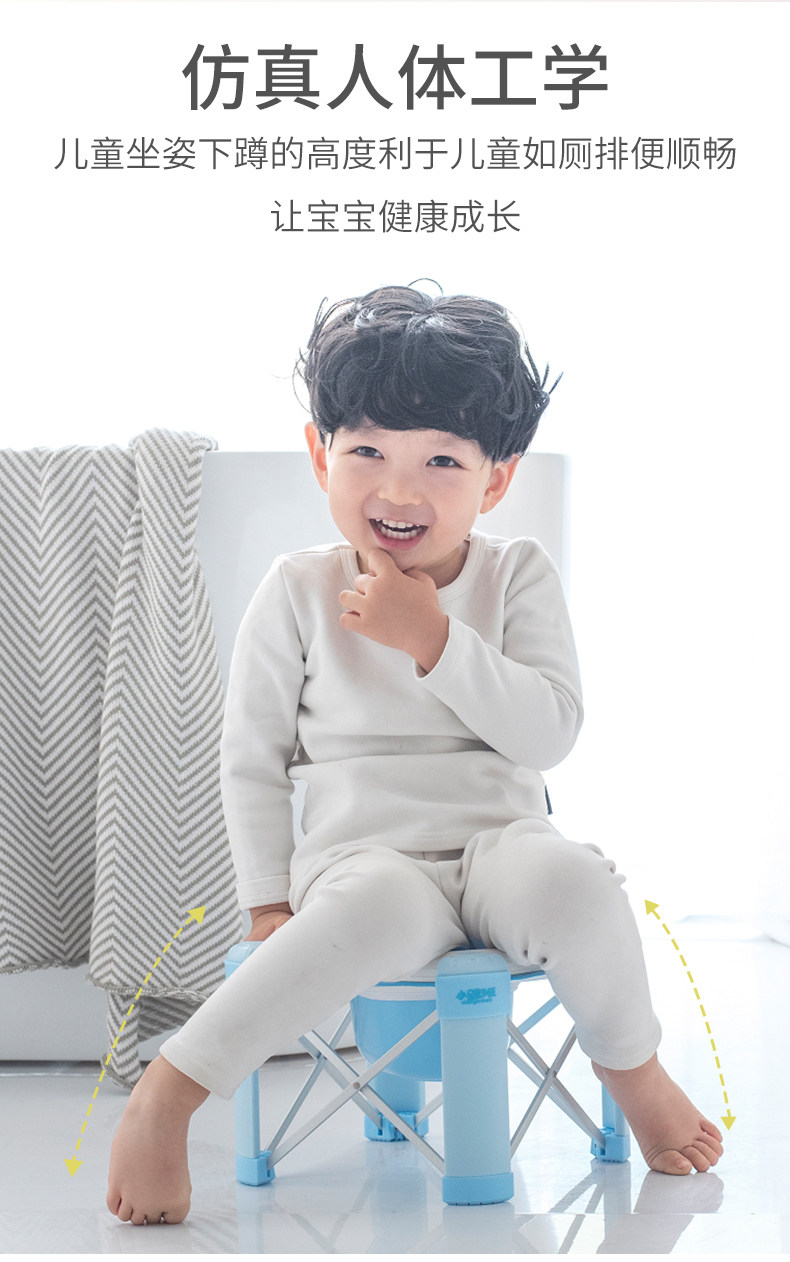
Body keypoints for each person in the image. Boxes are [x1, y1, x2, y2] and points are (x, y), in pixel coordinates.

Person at [106, 285, 723, 1225]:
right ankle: (170, 1093)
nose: (398, 491)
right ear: (321, 455)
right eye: (366, 453)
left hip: (499, 846)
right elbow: (252, 758)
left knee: (574, 883)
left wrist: (433, 639)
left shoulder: (517, 575)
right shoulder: (298, 589)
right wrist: (267, 899)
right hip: (363, 858)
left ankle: (634, 1070)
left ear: (495, 480)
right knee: (373, 907)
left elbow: (550, 732)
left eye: (441, 460)